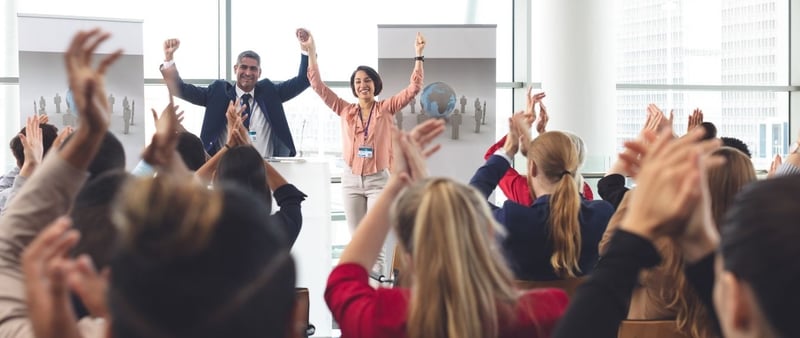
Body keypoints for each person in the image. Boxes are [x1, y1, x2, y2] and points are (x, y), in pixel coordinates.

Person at [326, 120, 567, 338]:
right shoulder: (544, 312)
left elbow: (344, 276)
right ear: (488, 236)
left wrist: (395, 183)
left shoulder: (377, 317)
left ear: (408, 252)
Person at [306, 30, 425, 274]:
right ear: (353, 87)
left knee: (376, 244)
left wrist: (419, 55)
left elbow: (414, 88)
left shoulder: (386, 108)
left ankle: (376, 296)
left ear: (375, 85)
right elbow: (317, 86)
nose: (363, 85)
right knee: (358, 242)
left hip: (378, 181)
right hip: (350, 181)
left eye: (367, 81)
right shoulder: (345, 110)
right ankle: (361, 296)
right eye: (358, 82)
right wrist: (310, 51)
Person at [470, 113, 613, 281]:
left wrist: (507, 152)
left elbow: (468, 201)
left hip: (522, 308)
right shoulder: (602, 215)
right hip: (584, 308)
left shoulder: (512, 220)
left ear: (532, 168)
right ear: (575, 166)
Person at [160, 32, 311, 157]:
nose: (248, 73)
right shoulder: (218, 93)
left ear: (259, 73)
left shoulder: (270, 92)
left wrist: (306, 51)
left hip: (263, 172)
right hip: (224, 172)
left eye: (253, 69)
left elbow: (303, 80)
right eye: (243, 67)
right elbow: (180, 89)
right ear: (235, 69)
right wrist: (168, 59)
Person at [484, 89, 594, 202]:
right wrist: (542, 134)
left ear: (533, 167)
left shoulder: (525, 191)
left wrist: (523, 126)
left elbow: (493, 157)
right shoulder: (585, 192)